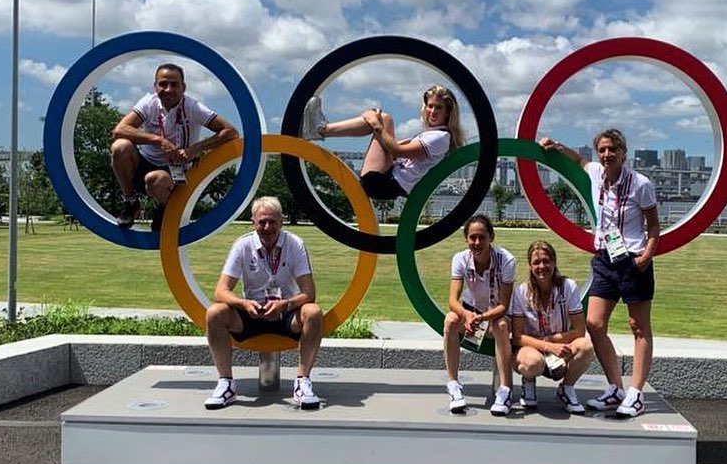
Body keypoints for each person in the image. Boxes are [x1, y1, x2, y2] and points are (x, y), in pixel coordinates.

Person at [541, 128, 659, 418]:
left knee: (638, 327)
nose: (607, 155)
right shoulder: (596, 173)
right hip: (605, 258)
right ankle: (616, 388)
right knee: (594, 324)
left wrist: (647, 254)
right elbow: (578, 160)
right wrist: (556, 146)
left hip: (633, 260)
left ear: (624, 153)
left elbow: (654, 225)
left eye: (612, 149)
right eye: (603, 150)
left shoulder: (640, 184)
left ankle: (636, 393)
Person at [203, 196, 324, 409]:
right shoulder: (243, 245)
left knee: (313, 312)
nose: (267, 228)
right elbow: (220, 291)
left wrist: (285, 304)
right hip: (251, 313)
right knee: (215, 313)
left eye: (272, 222)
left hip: (285, 314)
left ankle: (302, 382)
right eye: (262, 222)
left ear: (281, 221)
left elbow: (309, 293)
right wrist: (243, 304)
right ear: (253, 222)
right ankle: (226, 384)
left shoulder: (295, 244)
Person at [110, 63, 238, 231]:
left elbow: (231, 132)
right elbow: (119, 131)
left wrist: (195, 149)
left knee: (155, 179)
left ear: (183, 87)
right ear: (155, 86)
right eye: (163, 84)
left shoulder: (192, 107)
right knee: (120, 147)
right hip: (144, 164)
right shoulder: (149, 102)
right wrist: (159, 140)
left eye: (174, 84)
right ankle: (131, 202)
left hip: (175, 172)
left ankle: (165, 207)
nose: (168, 89)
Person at [301, 85, 464, 202]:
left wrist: (375, 123)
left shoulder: (440, 137)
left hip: (383, 183)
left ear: (448, 112)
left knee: (384, 120)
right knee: (383, 120)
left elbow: (397, 151)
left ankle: (320, 130)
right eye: (430, 106)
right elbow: (397, 153)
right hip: (387, 179)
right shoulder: (432, 135)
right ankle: (320, 130)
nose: (433, 111)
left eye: (438, 108)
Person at [510, 240, 594, 413]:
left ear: (554, 262)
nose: (542, 266)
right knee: (532, 363)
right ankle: (528, 381)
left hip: (560, 347)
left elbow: (579, 331)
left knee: (585, 345)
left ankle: (566, 388)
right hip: (530, 348)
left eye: (546, 261)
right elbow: (517, 337)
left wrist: (552, 341)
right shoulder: (521, 292)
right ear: (530, 266)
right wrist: (548, 346)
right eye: (536, 262)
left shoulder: (568, 287)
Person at [443, 214, 515, 416]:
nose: (477, 243)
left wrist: (480, 318)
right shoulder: (460, 258)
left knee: (502, 326)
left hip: (495, 317)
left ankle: (505, 389)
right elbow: (452, 301)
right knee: (450, 320)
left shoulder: (506, 260)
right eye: (472, 237)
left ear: (491, 237)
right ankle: (453, 385)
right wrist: (467, 315)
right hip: (472, 315)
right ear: (466, 239)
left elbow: (504, 305)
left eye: (481, 237)